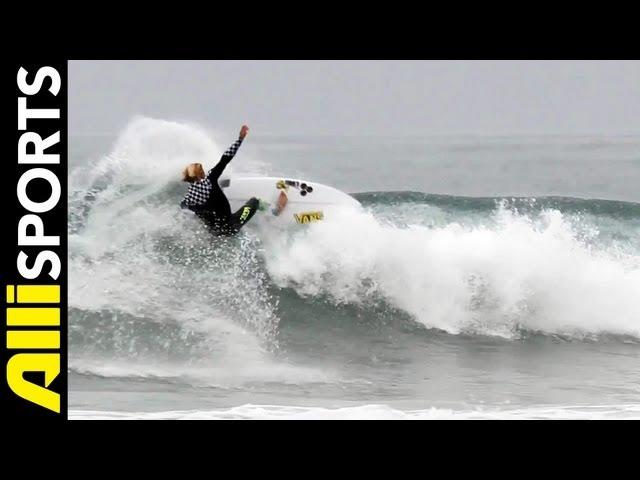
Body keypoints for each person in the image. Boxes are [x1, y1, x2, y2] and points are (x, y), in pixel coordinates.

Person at [180, 125, 288, 236]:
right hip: (232, 226)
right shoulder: (210, 180)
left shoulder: (188, 199)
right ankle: (275, 211)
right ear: (200, 174)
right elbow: (225, 159)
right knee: (255, 202)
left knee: (209, 208)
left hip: (214, 233)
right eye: (202, 171)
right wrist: (240, 139)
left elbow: (185, 210)